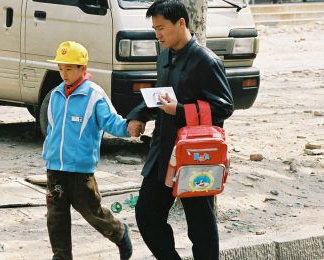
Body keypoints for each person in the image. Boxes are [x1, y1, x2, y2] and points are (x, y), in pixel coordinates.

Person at [126, 1, 234, 259]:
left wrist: (181, 110)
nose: (157, 34)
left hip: (195, 156)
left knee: (200, 227)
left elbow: (225, 107)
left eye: (161, 27)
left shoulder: (206, 61)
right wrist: (139, 115)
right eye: (154, 28)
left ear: (181, 23)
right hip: (162, 151)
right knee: (147, 215)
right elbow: (160, 94)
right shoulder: (164, 56)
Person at [42, 41, 132, 260]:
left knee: (92, 212)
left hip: (81, 170)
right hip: (55, 167)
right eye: (61, 68)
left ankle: (119, 233)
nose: (64, 73)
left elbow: (112, 122)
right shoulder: (55, 94)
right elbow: (52, 129)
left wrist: (131, 128)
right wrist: (49, 153)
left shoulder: (94, 95)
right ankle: (61, 256)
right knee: (56, 216)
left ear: (83, 69)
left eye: (69, 68)